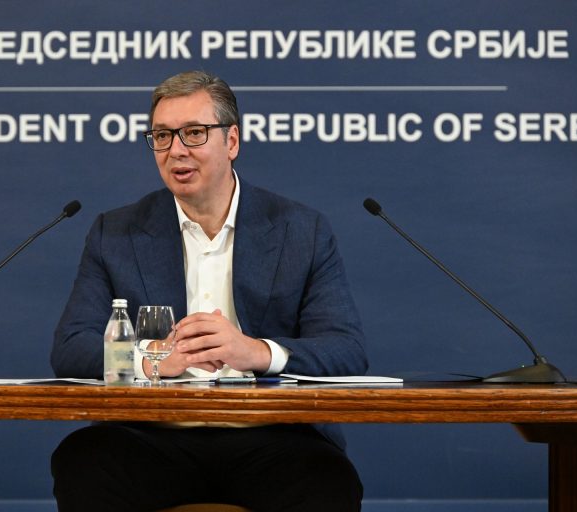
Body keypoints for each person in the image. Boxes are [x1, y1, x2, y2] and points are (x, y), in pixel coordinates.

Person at [50, 70, 368, 511]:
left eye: (195, 133)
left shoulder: (301, 230)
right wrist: (149, 360)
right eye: (163, 136)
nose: (176, 150)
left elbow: (346, 349)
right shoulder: (116, 233)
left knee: (327, 480)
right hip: (152, 437)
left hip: (272, 436)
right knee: (84, 462)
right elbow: (71, 347)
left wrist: (256, 352)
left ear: (231, 141)